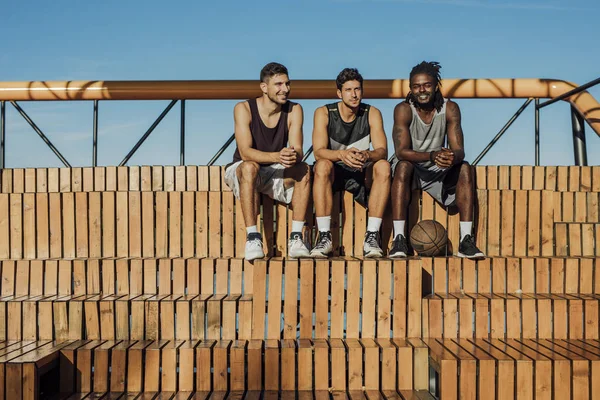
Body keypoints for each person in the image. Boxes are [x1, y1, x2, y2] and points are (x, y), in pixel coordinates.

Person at [389, 61, 484, 259]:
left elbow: (460, 150)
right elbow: (401, 152)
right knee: (402, 166)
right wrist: (432, 155)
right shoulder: (404, 110)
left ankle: (466, 241)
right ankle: (399, 239)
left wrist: (451, 157)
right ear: (410, 88)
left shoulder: (450, 108)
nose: (421, 90)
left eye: (427, 85)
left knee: (465, 168)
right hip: (412, 168)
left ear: (436, 86)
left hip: (438, 169)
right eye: (416, 86)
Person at [224, 62, 312, 260]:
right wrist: (276, 156)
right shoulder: (243, 108)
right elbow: (245, 152)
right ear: (264, 88)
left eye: (287, 84)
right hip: (243, 168)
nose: (285, 89)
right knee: (250, 168)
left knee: (304, 169)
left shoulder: (295, 109)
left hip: (275, 169)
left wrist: (292, 156)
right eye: (279, 84)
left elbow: (298, 149)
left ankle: (296, 238)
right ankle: (253, 238)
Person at [311, 68, 391, 258]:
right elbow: (318, 152)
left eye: (357, 89)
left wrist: (366, 155)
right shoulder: (324, 113)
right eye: (348, 90)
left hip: (361, 170)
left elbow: (382, 150)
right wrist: (341, 154)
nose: (354, 94)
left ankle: (372, 236)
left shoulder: (372, 113)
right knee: (321, 164)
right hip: (334, 170)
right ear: (339, 93)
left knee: (383, 166)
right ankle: (324, 237)